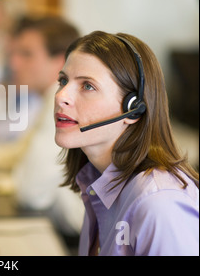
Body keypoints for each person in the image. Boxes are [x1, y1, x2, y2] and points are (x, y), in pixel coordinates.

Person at [54, 30, 199, 256]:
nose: (61, 95)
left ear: (133, 109)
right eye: (63, 80)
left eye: (87, 86)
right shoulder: (96, 180)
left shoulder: (159, 205)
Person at [8, 15, 85, 247]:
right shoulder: (50, 100)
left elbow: (31, 194)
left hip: (80, 241)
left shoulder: (64, 105)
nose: (15, 63)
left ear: (61, 61)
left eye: (27, 54)